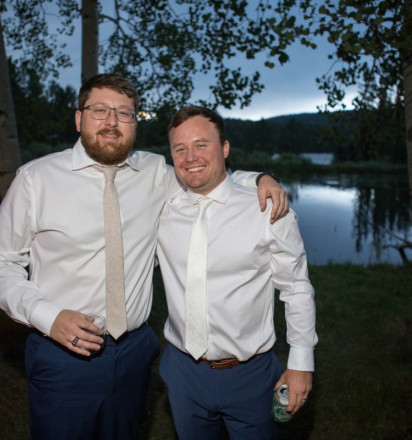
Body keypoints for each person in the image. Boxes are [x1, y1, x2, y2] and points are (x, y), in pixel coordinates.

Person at [0, 74, 288, 440]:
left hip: (135, 353)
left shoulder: (155, 172)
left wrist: (260, 178)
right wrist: (48, 317)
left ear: (135, 123)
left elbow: (208, 174)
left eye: (124, 113)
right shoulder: (36, 179)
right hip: (62, 353)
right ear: (79, 119)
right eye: (100, 110)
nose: (111, 121)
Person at [156, 106, 318, 439]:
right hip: (182, 372)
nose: (190, 157)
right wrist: (259, 174)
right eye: (180, 148)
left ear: (225, 148)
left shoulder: (266, 209)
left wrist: (301, 362)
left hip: (250, 375)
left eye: (202, 144)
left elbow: (296, 288)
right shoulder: (162, 206)